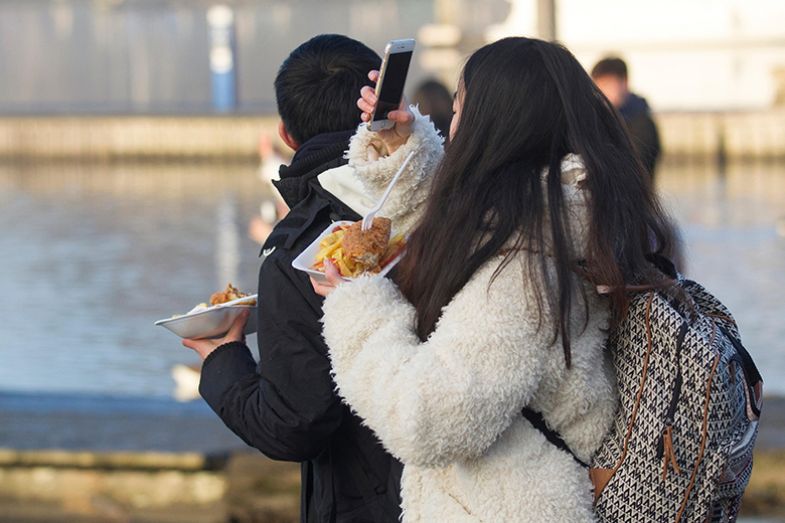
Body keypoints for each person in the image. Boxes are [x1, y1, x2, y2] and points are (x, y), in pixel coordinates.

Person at [311, 37, 675, 521]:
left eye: (462, 109)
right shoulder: (555, 221)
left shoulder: (521, 273)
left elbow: (425, 420)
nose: (453, 125)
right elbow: (469, 231)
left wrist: (355, 306)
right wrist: (403, 149)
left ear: (496, 126)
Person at [182, 34, 405, 522]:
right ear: (383, 107)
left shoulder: (298, 253)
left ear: (286, 133)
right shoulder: (442, 209)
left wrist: (222, 361)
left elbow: (295, 423)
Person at [591, 56, 661, 178]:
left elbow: (639, 163)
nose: (601, 92)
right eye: (597, 85)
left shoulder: (642, 123)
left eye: (607, 84)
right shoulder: (598, 118)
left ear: (624, 82)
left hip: (633, 194)